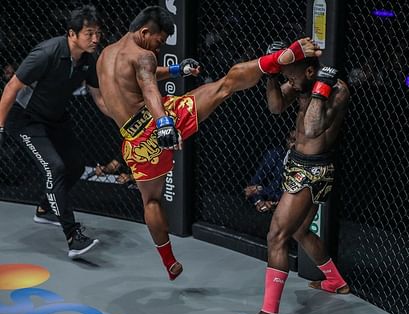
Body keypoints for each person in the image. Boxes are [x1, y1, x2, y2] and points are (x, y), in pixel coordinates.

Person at [96, 6, 321, 281]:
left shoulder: (106, 55)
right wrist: (164, 124)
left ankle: (169, 262)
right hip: (158, 120)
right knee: (224, 85)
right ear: (145, 32)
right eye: (159, 42)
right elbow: (148, 85)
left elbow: (135, 80)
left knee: (151, 200)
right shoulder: (143, 56)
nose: (158, 49)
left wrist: (178, 69)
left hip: (133, 140)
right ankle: (277, 59)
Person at [233, 44, 351, 314]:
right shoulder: (300, 83)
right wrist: (272, 74)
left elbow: (312, 128)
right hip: (300, 165)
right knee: (299, 230)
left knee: (277, 235)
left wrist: (321, 86)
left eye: (292, 77)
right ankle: (335, 281)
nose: (290, 82)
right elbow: (275, 107)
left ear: (311, 71)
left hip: (312, 169)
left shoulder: (336, 89)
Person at [0, 5, 108, 258]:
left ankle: (45, 209)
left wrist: (124, 123)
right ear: (72, 34)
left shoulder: (89, 58)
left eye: (98, 33)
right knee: (55, 168)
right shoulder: (46, 53)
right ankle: (73, 236)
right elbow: (11, 88)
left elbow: (98, 97)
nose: (95, 39)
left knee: (76, 166)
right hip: (25, 119)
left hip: (55, 118)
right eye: (89, 33)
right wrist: (0, 128)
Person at [244, 130, 295, 213]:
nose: (293, 144)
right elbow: (252, 185)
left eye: (297, 141)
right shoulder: (275, 154)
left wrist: (260, 189)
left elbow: (288, 194)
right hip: (266, 200)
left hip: (286, 205)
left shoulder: (302, 166)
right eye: (292, 139)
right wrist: (259, 201)